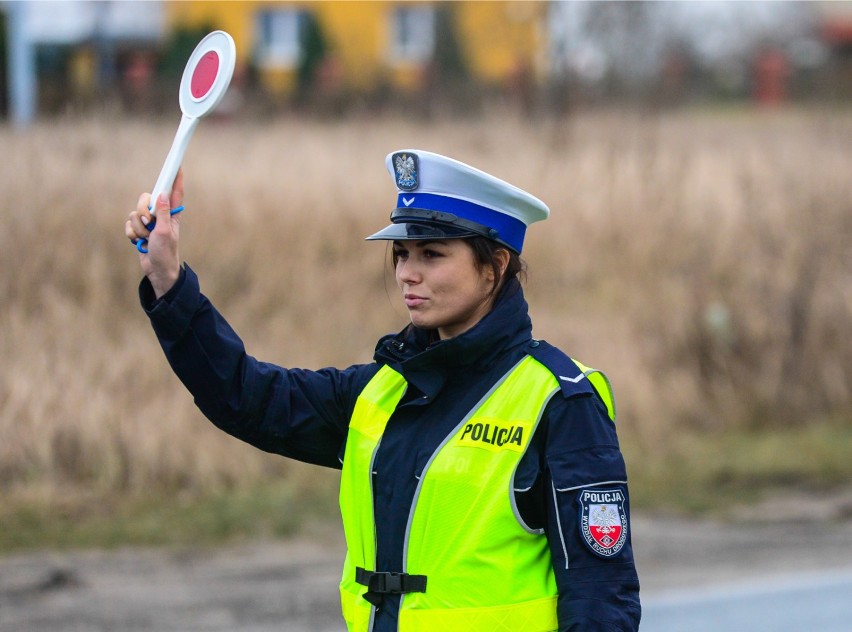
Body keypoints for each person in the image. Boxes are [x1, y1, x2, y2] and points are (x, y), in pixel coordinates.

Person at [125, 149, 641, 631]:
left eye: (432, 255)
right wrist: (170, 284)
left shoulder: (560, 400)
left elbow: (601, 597)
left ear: (496, 266)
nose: (407, 275)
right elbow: (246, 397)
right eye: (401, 254)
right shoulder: (381, 391)